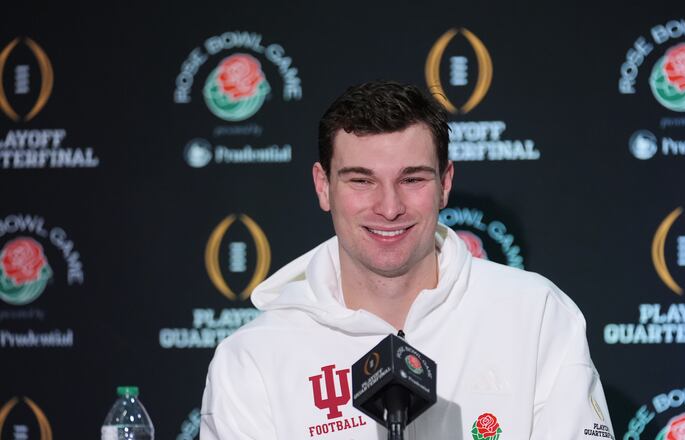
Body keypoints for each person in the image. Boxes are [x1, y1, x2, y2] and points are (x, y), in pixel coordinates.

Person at [200, 80, 615, 439]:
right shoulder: (252, 358)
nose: (389, 207)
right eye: (361, 180)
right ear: (323, 186)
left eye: (412, 179)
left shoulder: (537, 315)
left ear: (445, 183)